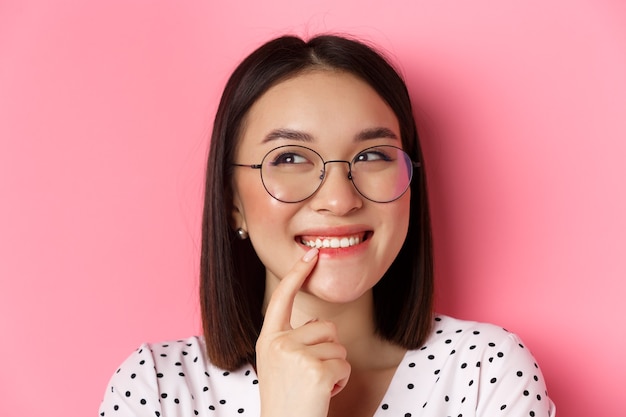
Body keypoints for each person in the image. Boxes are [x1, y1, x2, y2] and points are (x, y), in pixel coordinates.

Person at [99, 34, 555, 417]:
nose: (340, 200)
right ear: (231, 203)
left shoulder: (483, 373)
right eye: (290, 158)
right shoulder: (157, 388)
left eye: (373, 155)